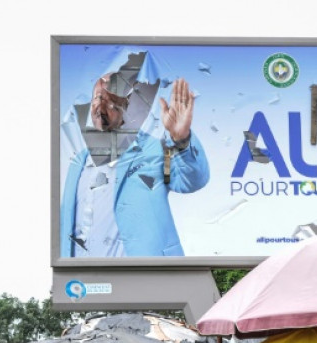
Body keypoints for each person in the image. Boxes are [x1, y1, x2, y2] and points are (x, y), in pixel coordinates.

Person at [59, 50, 210, 258]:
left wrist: (181, 139)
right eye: (96, 98)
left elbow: (192, 180)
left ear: (126, 107)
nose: (99, 107)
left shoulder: (156, 150)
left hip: (147, 279)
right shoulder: (78, 162)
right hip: (86, 283)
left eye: (110, 101)